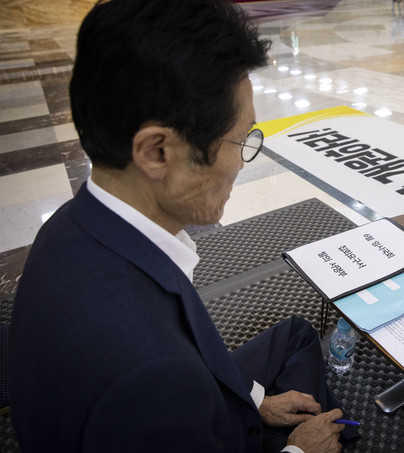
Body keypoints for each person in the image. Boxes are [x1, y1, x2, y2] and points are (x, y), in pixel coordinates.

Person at [9, 1, 357, 452]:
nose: (241, 163)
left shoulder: (71, 225)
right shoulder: (151, 377)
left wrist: (257, 400)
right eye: (239, 139)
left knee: (297, 333)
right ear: (157, 152)